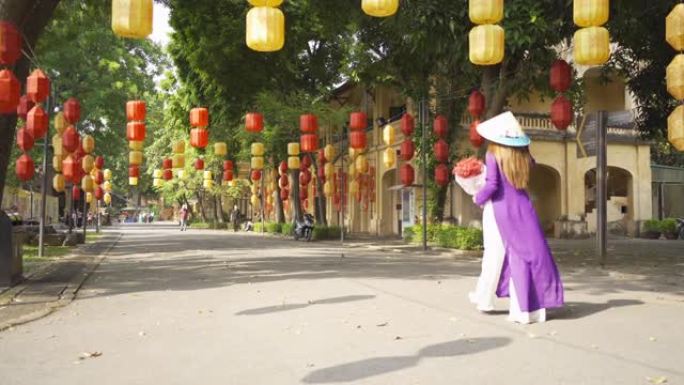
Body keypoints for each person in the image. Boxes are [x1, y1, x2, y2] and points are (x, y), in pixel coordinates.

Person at [473, 112, 564, 324]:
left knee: (510, 255)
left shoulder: (492, 154)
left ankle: (519, 310)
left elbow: (493, 185)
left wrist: (478, 197)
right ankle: (531, 310)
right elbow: (530, 167)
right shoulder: (524, 154)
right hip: (524, 207)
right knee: (530, 255)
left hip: (501, 208)